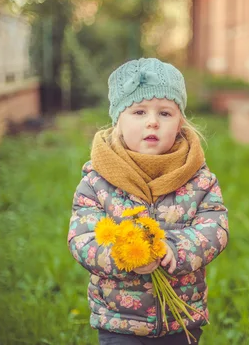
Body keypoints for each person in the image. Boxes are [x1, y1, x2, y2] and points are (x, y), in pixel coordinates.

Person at [67, 58, 229, 344]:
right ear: (118, 121)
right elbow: (83, 238)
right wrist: (125, 255)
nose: (152, 121)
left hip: (181, 318)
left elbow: (215, 228)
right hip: (119, 321)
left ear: (180, 123)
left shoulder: (198, 179)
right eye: (139, 111)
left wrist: (175, 249)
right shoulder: (97, 180)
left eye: (165, 113)